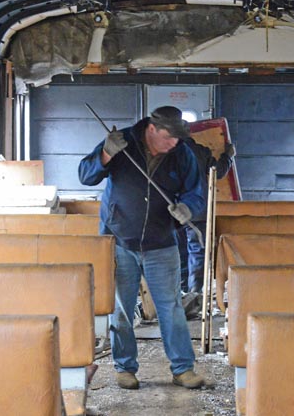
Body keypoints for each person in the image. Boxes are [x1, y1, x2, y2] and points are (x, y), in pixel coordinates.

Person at [78, 106, 207, 390]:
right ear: (151, 129)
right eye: (168, 138)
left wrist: (188, 208)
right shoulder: (120, 142)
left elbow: (196, 192)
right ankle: (125, 368)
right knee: (122, 309)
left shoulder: (181, 153)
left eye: (177, 138)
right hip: (120, 239)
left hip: (161, 242)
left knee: (171, 307)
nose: (174, 143)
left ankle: (183, 368)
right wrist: (106, 155)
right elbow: (86, 176)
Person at [179, 137, 234, 294]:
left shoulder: (165, 151)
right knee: (197, 252)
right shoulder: (201, 151)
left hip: (173, 209)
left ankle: (181, 292)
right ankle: (195, 293)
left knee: (178, 251)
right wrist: (228, 156)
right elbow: (218, 171)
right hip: (197, 210)